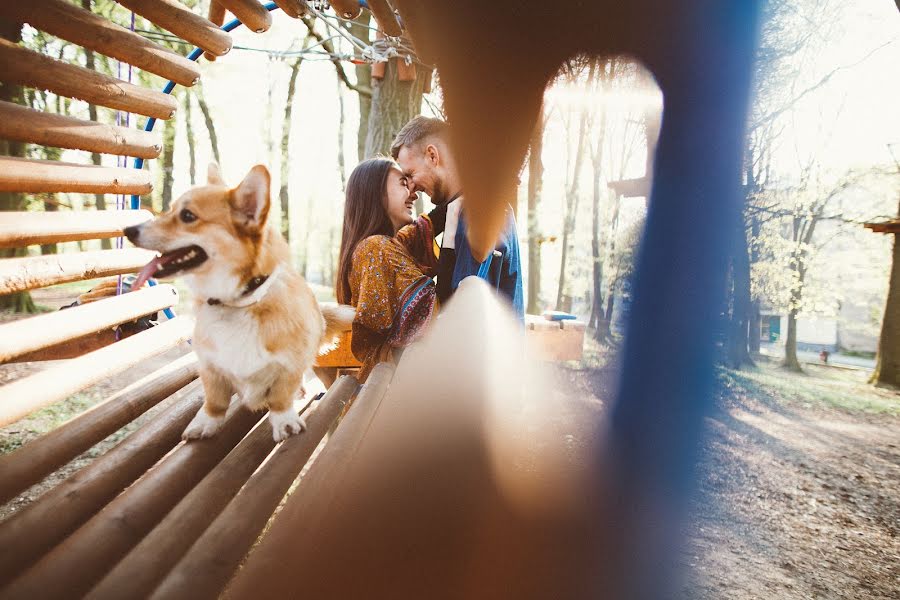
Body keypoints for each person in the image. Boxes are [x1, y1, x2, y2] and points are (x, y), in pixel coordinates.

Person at [391, 116, 524, 319]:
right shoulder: (458, 212)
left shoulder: (478, 214)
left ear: (432, 156)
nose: (412, 187)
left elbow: (466, 317)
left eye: (410, 174)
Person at [336, 157, 446, 381]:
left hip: (391, 379)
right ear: (375, 193)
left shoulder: (384, 247)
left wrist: (458, 197)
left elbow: (419, 231)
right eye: (403, 183)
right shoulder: (375, 248)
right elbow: (423, 310)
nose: (413, 193)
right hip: (394, 384)